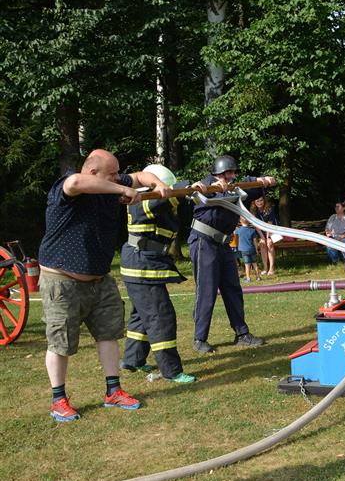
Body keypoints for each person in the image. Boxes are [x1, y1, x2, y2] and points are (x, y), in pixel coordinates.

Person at [38, 149, 170, 422]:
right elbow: (76, 182)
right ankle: (58, 399)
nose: (118, 177)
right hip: (61, 281)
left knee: (108, 335)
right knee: (60, 343)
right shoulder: (67, 188)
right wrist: (120, 188)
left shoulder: (111, 182)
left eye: (117, 174)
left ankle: (114, 391)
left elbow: (140, 175)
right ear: (93, 172)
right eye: (111, 174)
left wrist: (157, 183)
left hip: (99, 279)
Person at [120, 164, 200, 384]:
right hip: (142, 266)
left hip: (144, 264)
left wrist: (199, 189)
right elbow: (163, 200)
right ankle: (171, 370)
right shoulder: (142, 201)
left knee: (141, 316)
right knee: (160, 316)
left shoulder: (154, 202)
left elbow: (176, 203)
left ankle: (132, 360)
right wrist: (184, 188)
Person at [189, 154, 276, 354]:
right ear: (217, 173)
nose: (231, 176)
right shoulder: (204, 186)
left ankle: (242, 334)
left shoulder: (236, 187)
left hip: (224, 244)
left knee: (232, 288)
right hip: (204, 242)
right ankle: (199, 338)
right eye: (227, 173)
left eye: (232, 173)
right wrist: (208, 188)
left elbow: (253, 184)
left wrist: (264, 180)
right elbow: (190, 189)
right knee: (206, 291)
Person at [251, 195, 278, 276]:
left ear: (264, 200)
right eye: (257, 201)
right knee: (262, 244)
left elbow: (270, 224)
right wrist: (262, 237)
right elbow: (256, 226)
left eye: (261, 200)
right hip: (261, 232)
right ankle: (265, 268)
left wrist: (268, 237)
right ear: (254, 202)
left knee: (269, 243)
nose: (259, 202)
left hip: (273, 230)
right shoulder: (254, 211)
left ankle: (271, 268)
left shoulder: (270, 209)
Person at [325, 202, 345, 267]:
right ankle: (336, 262)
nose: (336, 208)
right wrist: (329, 236)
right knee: (329, 245)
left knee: (344, 242)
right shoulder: (332, 217)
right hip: (333, 237)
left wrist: (342, 237)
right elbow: (327, 228)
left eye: (338, 206)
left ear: (343, 208)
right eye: (335, 207)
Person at [235, 217, 261, 282]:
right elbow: (255, 241)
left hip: (244, 250)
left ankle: (248, 278)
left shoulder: (238, 230)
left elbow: (234, 234)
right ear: (249, 222)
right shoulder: (252, 231)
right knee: (255, 264)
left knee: (247, 265)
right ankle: (258, 277)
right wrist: (257, 249)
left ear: (240, 221)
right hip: (252, 249)